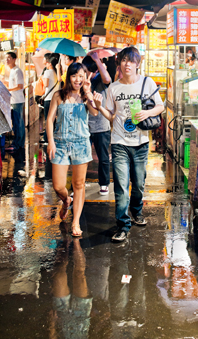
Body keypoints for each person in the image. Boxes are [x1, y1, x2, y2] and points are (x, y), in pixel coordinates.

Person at [95, 47, 165, 242]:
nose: (127, 64)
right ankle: (123, 225)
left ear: (137, 64)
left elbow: (160, 106)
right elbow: (111, 115)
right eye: (123, 61)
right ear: (119, 64)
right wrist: (99, 107)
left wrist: (148, 113)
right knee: (121, 186)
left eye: (131, 61)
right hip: (119, 142)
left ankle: (136, 210)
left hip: (141, 142)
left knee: (139, 184)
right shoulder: (114, 88)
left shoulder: (147, 82)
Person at [47, 63, 103, 237]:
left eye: (81, 76)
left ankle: (76, 222)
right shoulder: (58, 96)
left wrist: (88, 93)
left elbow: (94, 113)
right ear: (68, 77)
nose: (78, 79)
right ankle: (66, 201)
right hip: (60, 144)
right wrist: (51, 142)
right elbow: (50, 120)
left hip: (81, 144)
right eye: (74, 76)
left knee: (79, 184)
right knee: (58, 186)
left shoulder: (87, 97)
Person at [82, 53, 113, 195]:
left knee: (103, 157)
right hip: (84, 125)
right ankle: (79, 183)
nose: (83, 73)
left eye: (86, 70)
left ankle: (104, 183)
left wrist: (97, 60)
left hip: (101, 125)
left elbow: (108, 78)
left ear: (93, 71)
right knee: (81, 156)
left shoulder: (101, 80)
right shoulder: (80, 81)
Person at [3, 51, 26, 151]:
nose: (7, 60)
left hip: (17, 101)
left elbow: (20, 86)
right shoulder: (12, 71)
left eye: (9, 58)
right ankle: (18, 143)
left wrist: (8, 89)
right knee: (17, 123)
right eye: (6, 58)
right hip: (13, 100)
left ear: (14, 59)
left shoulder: (17, 71)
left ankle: (18, 144)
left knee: (18, 123)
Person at [42, 53, 60, 123]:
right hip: (55, 99)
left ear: (50, 64)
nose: (46, 65)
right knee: (54, 119)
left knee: (48, 120)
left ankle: (48, 133)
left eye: (47, 63)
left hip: (49, 99)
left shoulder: (47, 72)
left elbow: (46, 84)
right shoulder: (56, 72)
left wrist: (43, 78)